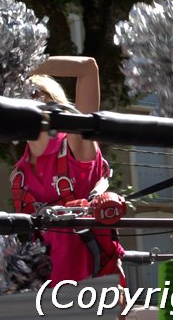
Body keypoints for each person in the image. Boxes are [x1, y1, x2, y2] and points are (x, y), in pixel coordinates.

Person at [10, 56, 126, 287]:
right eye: (18, 96)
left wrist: (18, 64)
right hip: (46, 295)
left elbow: (88, 68)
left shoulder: (75, 144)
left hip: (95, 287)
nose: (25, 101)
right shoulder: (19, 173)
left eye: (33, 94)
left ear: (55, 105)